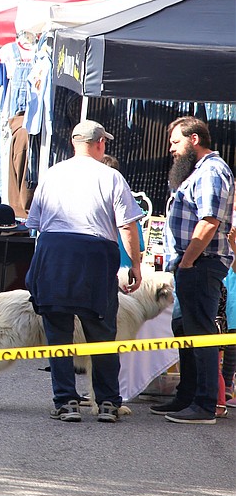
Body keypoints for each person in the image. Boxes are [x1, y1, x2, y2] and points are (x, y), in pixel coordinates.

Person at [24, 120, 144, 423]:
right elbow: (127, 225)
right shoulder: (111, 176)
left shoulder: (52, 174)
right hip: (94, 254)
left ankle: (66, 402)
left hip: (55, 251)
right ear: (100, 143)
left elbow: (34, 222)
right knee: (102, 331)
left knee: (59, 332)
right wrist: (135, 265)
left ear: (73, 142)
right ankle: (107, 403)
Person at [154, 116, 234, 424]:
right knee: (184, 329)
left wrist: (187, 261)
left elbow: (209, 221)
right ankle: (186, 397)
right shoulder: (199, 171)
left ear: (194, 140)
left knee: (200, 333)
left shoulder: (212, 171)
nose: (172, 149)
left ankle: (204, 405)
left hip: (201, 264)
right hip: (191, 265)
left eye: (176, 142)